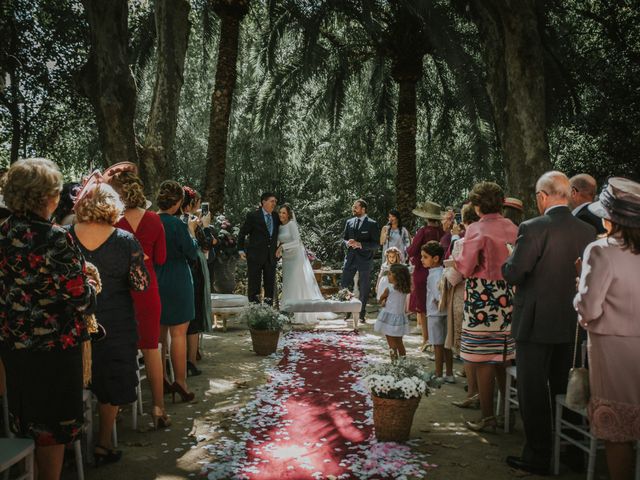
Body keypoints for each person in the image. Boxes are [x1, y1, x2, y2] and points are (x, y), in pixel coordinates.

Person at [0, 158, 96, 480]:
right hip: (54, 350)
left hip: (15, 347)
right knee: (53, 433)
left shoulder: (2, 234)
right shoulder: (55, 237)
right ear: (46, 197)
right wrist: (92, 285)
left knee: (29, 424)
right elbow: (78, 297)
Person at [502, 171, 595, 475]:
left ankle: (539, 455)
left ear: (543, 196)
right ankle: (570, 452)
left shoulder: (533, 227)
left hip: (534, 321)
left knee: (532, 390)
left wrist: (508, 261)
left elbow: (515, 273)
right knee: (562, 387)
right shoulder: (586, 231)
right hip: (570, 322)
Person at [70, 176, 149, 466]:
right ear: (111, 206)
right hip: (114, 323)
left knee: (73, 381)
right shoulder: (125, 241)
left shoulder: (64, 236)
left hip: (74, 323)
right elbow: (141, 284)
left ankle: (70, 449)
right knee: (111, 382)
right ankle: (103, 443)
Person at [574, 177, 640, 480]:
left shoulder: (601, 251)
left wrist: (579, 288)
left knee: (618, 431)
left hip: (611, 349)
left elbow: (588, 308)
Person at [454, 181, 518, 432]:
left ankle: (489, 418)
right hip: (508, 298)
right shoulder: (513, 227)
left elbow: (466, 266)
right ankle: (506, 412)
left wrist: (458, 261)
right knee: (503, 356)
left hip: (483, 298)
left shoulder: (476, 229)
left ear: (478, 205)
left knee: (482, 358)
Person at [111, 168, 170, 429]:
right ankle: (158, 408)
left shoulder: (114, 223)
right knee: (152, 348)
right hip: (149, 291)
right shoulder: (155, 221)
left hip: (121, 293)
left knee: (120, 348)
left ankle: (118, 408)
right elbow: (161, 259)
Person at [155, 180, 198, 403]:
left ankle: (160, 378)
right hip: (179, 280)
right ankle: (180, 381)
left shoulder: (150, 221)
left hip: (156, 281)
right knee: (178, 335)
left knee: (160, 336)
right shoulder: (178, 225)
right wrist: (191, 231)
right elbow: (192, 253)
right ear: (179, 202)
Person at [445, 203, 481, 408]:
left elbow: (458, 272)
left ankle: (473, 389)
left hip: (464, 293)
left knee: (468, 344)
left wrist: (445, 278)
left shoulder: (463, 242)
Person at [277, 203, 334, 324]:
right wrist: (279, 247)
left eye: (284, 213)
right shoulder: (280, 227)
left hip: (296, 258)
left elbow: (297, 241)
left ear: (288, 215)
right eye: (280, 212)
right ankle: (288, 311)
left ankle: (300, 314)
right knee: (288, 283)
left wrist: (282, 247)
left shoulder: (291, 224)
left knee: (296, 282)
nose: (281, 215)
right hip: (287, 258)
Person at [181, 186, 214, 377]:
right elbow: (206, 245)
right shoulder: (191, 222)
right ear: (191, 203)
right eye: (198, 202)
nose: (200, 205)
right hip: (194, 271)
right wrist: (207, 226)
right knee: (194, 315)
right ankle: (190, 361)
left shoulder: (175, 220)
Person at [407, 201, 445, 350]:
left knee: (423, 307)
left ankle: (426, 339)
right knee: (436, 305)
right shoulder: (443, 232)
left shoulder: (423, 231)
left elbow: (412, 250)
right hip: (438, 269)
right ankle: (438, 341)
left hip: (422, 271)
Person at [340, 198, 380, 321]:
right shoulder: (349, 222)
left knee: (364, 288)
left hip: (365, 259)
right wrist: (348, 243)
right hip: (350, 258)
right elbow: (344, 239)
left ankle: (361, 314)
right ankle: (347, 311)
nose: (354, 208)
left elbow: (376, 245)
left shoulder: (372, 224)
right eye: (353, 206)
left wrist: (360, 244)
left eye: (356, 207)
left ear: (363, 209)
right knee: (344, 284)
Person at [238, 192, 281, 304]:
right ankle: (254, 312)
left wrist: (281, 247)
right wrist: (240, 249)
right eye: (272, 201)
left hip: (271, 257)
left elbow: (284, 233)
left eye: (275, 202)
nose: (274, 204)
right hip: (255, 257)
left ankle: (268, 313)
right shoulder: (253, 216)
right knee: (254, 286)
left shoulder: (276, 217)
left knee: (269, 287)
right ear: (264, 202)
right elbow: (242, 233)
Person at [421, 241, 454, 382]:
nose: (422, 259)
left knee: (437, 344)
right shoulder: (444, 271)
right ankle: (450, 374)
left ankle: (439, 374)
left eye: (425, 257)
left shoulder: (432, 275)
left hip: (435, 313)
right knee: (447, 344)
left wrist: (439, 301)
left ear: (435, 258)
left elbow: (437, 296)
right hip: (446, 312)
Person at [374, 263, 412, 359]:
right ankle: (403, 362)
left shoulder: (389, 289)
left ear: (397, 276)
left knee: (392, 345)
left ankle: (394, 365)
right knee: (399, 343)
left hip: (389, 319)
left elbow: (380, 300)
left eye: (390, 274)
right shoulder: (405, 289)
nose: (388, 276)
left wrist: (383, 302)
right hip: (400, 319)